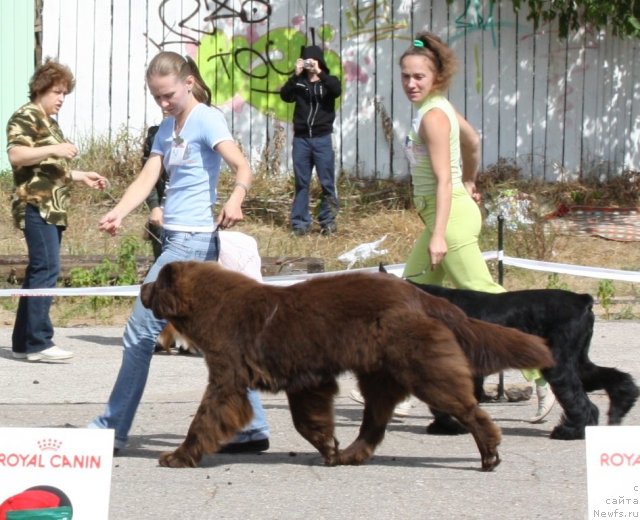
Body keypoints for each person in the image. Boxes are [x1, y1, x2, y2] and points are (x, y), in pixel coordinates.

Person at [89, 51, 270, 454]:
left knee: (139, 332)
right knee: (216, 339)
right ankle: (252, 426)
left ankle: (111, 428)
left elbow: (243, 167)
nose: (164, 103)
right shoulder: (169, 127)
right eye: (156, 97)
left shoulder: (207, 118)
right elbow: (148, 175)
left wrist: (236, 199)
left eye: (168, 94)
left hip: (191, 245)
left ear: (188, 83)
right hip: (177, 240)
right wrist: (118, 212)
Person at [401, 32, 553, 422]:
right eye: (406, 76)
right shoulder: (441, 109)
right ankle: (400, 386)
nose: (411, 84)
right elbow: (473, 141)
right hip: (448, 213)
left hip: (447, 219)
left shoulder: (434, 117)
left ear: (436, 78)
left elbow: (442, 181)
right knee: (409, 299)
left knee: (487, 299)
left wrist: (439, 232)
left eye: (419, 76)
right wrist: (472, 178)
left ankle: (542, 375)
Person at [6, 58, 108, 363]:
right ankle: (39, 342)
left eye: (65, 92)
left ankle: (24, 342)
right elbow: (17, 155)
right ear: (41, 89)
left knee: (40, 270)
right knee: (47, 269)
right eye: (57, 92)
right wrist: (55, 148)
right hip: (35, 205)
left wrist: (81, 175)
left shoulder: (50, 122)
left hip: (53, 208)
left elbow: (50, 170)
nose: (62, 98)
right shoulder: (25, 116)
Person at [279, 43, 341, 236]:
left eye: (312, 61)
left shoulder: (328, 81)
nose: (309, 65)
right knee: (301, 183)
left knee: (327, 182)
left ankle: (328, 222)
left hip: (322, 138)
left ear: (319, 61)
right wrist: (295, 74)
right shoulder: (299, 83)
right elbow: (285, 96)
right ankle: (300, 224)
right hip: (302, 140)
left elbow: (336, 90)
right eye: (306, 61)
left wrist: (320, 73)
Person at [142, 123, 166, 260]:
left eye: (169, 99)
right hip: (162, 214)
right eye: (159, 99)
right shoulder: (155, 134)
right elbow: (146, 178)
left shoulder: (203, 127)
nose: (164, 104)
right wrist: (154, 207)